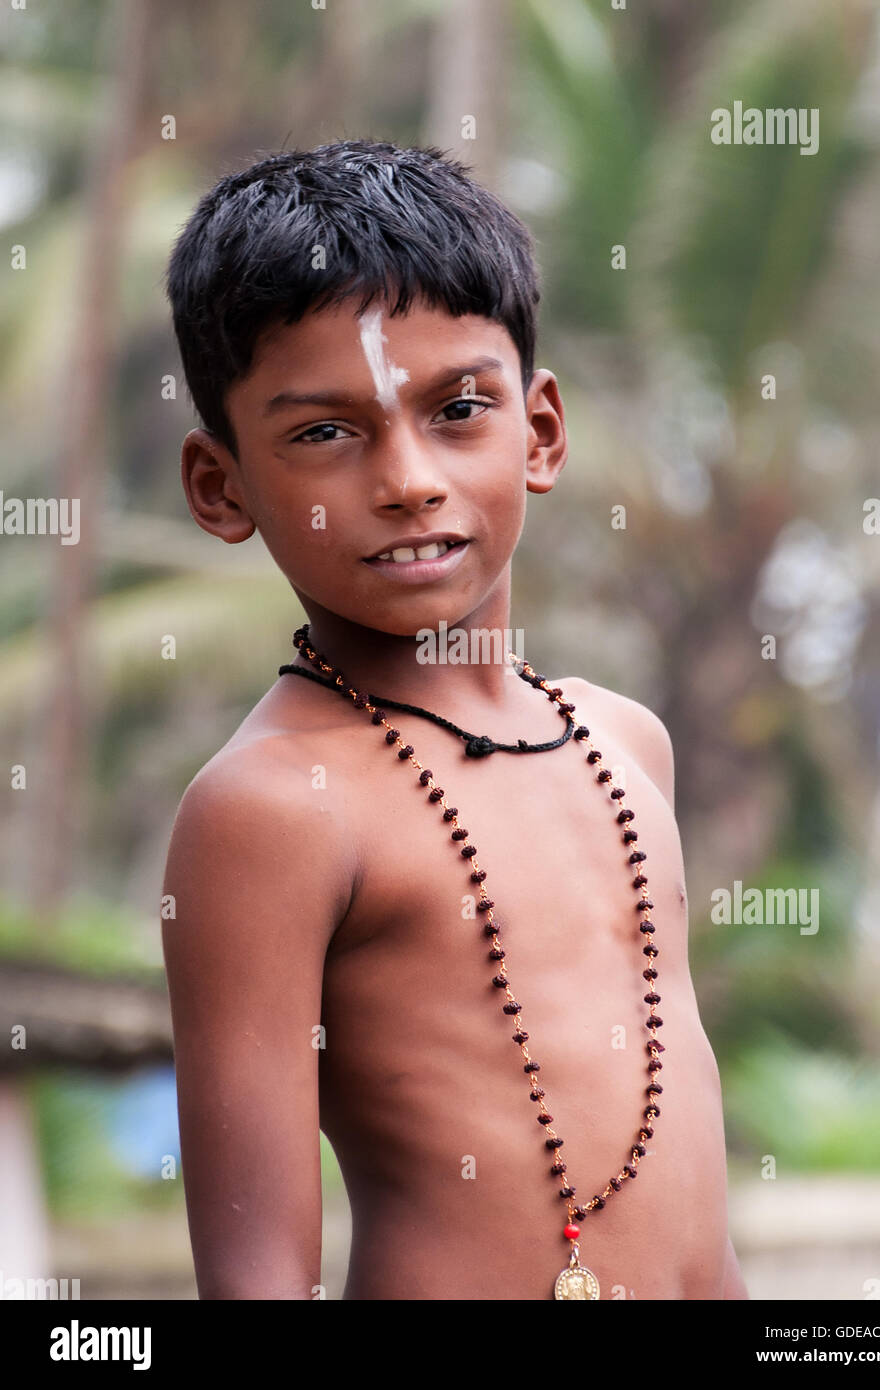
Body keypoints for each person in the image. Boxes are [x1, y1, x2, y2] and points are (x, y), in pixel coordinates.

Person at [161, 138, 748, 1301]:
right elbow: (257, 1281)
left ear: (537, 433)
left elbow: (696, 1222)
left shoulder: (625, 745)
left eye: (457, 409)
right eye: (325, 431)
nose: (407, 479)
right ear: (221, 487)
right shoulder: (271, 810)